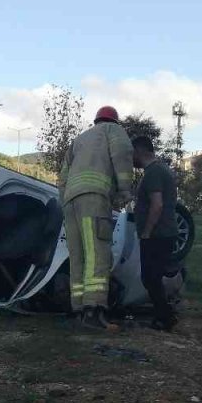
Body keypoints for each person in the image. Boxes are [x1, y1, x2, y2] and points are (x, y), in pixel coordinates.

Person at [58, 106, 133, 326]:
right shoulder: (113, 131)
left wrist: (66, 201)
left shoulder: (79, 140)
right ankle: (94, 309)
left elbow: (62, 177)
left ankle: (78, 308)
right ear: (114, 121)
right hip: (94, 198)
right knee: (97, 252)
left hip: (70, 201)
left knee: (77, 255)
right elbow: (122, 155)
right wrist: (124, 189)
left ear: (96, 120)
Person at [131, 135, 178, 331]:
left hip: (157, 235)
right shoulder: (158, 170)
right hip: (163, 233)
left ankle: (164, 318)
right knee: (152, 277)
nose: (130, 158)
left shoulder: (154, 173)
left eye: (131, 153)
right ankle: (164, 315)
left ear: (139, 151)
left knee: (150, 277)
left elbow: (157, 205)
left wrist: (147, 232)